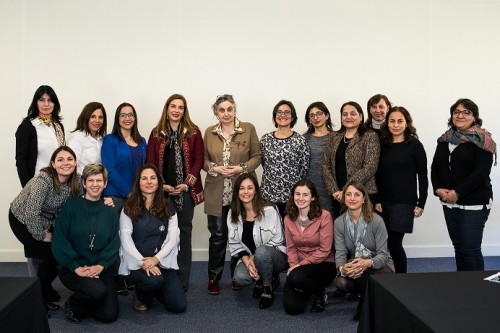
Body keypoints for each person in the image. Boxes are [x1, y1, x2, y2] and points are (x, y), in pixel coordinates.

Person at [9, 146, 80, 313]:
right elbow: (31, 213)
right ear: (53, 164)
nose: (65, 163)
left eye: (69, 159)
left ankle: (44, 289)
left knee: (58, 254)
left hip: (48, 220)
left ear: (76, 163)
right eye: (60, 160)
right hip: (22, 218)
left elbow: (83, 201)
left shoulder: (76, 180)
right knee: (48, 254)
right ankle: (37, 300)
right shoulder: (44, 180)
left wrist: (104, 202)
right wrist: (41, 235)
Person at [203, 94, 261, 295]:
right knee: (218, 236)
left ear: (235, 109)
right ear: (216, 112)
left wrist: (241, 168)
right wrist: (215, 168)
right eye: (221, 110)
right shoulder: (209, 132)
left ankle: (238, 275)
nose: (226, 113)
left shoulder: (248, 129)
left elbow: (257, 157)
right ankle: (214, 277)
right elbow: (202, 160)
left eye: (229, 109)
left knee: (241, 235)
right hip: (216, 192)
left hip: (242, 192)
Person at [146, 94, 204, 291]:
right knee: (162, 234)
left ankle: (182, 279)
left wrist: (186, 184)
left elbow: (198, 160)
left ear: (184, 110)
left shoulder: (193, 132)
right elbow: (150, 162)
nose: (177, 110)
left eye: (181, 107)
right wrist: (160, 184)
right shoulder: (156, 133)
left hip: (185, 191)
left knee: (184, 233)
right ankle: (162, 274)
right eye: (173, 106)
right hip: (162, 192)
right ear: (167, 108)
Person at [431, 98, 496, 271]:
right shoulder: (445, 139)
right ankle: (463, 287)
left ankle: (477, 291)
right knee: (459, 247)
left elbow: (480, 174)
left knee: (470, 249)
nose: (460, 115)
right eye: (457, 112)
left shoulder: (483, 140)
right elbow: (435, 167)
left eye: (466, 112)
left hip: (474, 202)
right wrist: (437, 189)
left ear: (474, 117)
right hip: (449, 202)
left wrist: (457, 192)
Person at [52, 163, 120, 323]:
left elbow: (114, 243)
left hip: (101, 268)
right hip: (73, 268)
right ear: (84, 183)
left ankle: (94, 295)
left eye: (99, 180)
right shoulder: (70, 207)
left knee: (109, 315)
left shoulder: (110, 211)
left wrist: (100, 266)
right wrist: (75, 267)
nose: (95, 185)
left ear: (105, 183)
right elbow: (59, 241)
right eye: (91, 180)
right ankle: (73, 304)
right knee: (98, 291)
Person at [119, 164, 187, 314]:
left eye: (152, 178)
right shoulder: (128, 207)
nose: (149, 182)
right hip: (137, 263)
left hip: (161, 261)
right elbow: (126, 240)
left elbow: (172, 239)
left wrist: (155, 260)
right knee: (153, 281)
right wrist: (144, 263)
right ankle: (141, 296)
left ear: (158, 182)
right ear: (138, 183)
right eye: (144, 178)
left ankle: (155, 289)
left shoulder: (168, 206)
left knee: (178, 306)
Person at [375, 107, 428, 273]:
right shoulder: (382, 144)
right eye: (392, 121)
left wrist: (421, 202)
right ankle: (388, 278)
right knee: (383, 243)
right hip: (383, 202)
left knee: (394, 243)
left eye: (400, 121)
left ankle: (401, 279)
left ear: (407, 123)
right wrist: (376, 199)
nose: (395, 125)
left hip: (405, 203)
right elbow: (375, 174)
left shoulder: (415, 145)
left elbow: (423, 176)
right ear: (387, 123)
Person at [334, 181, 395, 320]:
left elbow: (383, 255)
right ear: (344, 198)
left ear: (364, 199)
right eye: (348, 194)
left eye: (357, 194)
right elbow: (340, 252)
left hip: (380, 264)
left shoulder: (376, 221)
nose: (352, 198)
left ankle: (364, 306)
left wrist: (366, 263)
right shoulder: (339, 222)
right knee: (341, 283)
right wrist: (343, 268)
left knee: (363, 275)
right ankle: (369, 300)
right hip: (356, 263)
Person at [228, 174, 287, 309]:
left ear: (256, 190)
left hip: (277, 256)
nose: (246, 192)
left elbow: (278, 240)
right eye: (242, 188)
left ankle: (267, 289)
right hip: (250, 258)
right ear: (237, 192)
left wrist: (255, 258)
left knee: (261, 252)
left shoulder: (269, 210)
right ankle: (261, 279)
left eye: (250, 188)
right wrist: (247, 262)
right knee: (240, 278)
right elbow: (234, 243)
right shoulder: (233, 213)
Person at [283, 180, 335, 315]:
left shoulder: (324, 216)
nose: (300, 198)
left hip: (323, 264)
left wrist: (298, 267)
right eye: (297, 194)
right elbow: (291, 248)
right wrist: (294, 265)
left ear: (312, 197)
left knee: (295, 277)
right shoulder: (288, 218)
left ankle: (319, 293)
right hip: (299, 268)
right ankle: (308, 288)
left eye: (305, 195)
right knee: (292, 309)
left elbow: (325, 250)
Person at [322, 101, 380, 218]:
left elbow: (370, 167)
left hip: (362, 194)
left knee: (362, 231)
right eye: (345, 114)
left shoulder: (370, 136)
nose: (348, 117)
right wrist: (334, 191)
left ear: (361, 117)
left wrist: (346, 191)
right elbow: (325, 164)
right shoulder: (334, 137)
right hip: (337, 196)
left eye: (353, 114)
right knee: (341, 230)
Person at [260, 100, 310, 219]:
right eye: (279, 112)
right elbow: (264, 164)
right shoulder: (265, 139)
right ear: (274, 116)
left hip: (293, 198)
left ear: (292, 117)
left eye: (287, 112)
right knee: (270, 232)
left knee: (290, 233)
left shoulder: (300, 140)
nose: (283, 115)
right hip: (268, 196)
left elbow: (304, 168)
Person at [16, 85, 66, 187]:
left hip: (59, 183)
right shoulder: (27, 126)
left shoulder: (58, 126)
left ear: (55, 103)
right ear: (36, 103)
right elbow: (21, 160)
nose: (46, 104)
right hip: (37, 183)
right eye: (42, 100)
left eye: (50, 100)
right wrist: (27, 187)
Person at [101, 102, 146, 213]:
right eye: (123, 115)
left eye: (130, 115)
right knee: (115, 230)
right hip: (115, 196)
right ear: (117, 118)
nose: (127, 118)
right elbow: (109, 169)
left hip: (138, 196)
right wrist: (128, 192)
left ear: (134, 118)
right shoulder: (109, 140)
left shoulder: (142, 141)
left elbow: (145, 168)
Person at [303, 101, 334, 217]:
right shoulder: (304, 139)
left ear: (327, 116)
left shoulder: (336, 137)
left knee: (329, 218)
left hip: (330, 187)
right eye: (312, 115)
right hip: (310, 186)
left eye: (319, 113)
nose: (316, 118)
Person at [68, 102, 107, 174]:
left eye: (100, 117)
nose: (97, 121)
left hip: (96, 183)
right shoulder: (77, 137)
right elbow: (71, 167)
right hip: (80, 183)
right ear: (86, 117)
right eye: (93, 116)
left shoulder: (102, 139)